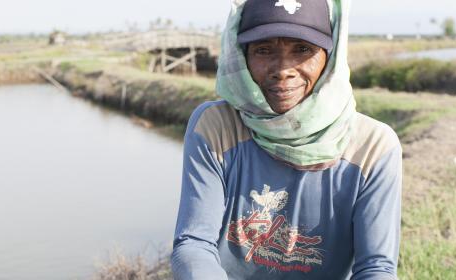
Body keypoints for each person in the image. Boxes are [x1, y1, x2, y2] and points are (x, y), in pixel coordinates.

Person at [171, 0, 402, 279]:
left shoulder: (373, 146)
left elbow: (375, 267)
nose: (283, 69)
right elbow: (195, 244)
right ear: (242, 56)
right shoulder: (216, 126)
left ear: (331, 55)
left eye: (302, 49)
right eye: (264, 50)